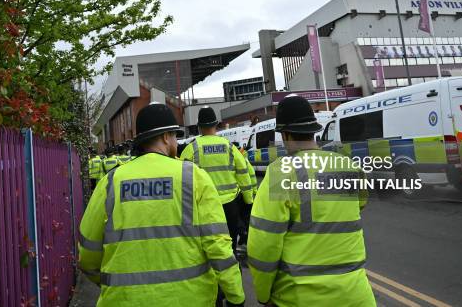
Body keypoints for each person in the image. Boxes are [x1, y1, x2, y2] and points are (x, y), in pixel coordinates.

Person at [78, 102, 245, 306]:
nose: (176, 141)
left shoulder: (111, 183)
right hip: (190, 299)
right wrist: (235, 295)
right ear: (166, 137)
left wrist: (111, 284)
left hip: (125, 301)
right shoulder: (193, 177)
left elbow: (87, 255)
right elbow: (218, 246)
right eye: (175, 136)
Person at [247, 95, 376, 307]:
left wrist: (263, 294)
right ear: (314, 131)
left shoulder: (281, 173)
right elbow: (360, 204)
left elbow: (263, 245)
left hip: (300, 298)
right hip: (356, 296)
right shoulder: (349, 166)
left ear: (285, 135)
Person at [180, 106, 254, 252]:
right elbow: (244, 174)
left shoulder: (191, 149)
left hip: (204, 207)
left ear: (199, 127)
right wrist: (248, 201)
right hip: (230, 206)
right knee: (230, 245)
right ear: (216, 125)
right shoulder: (229, 147)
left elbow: (181, 179)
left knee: (207, 246)